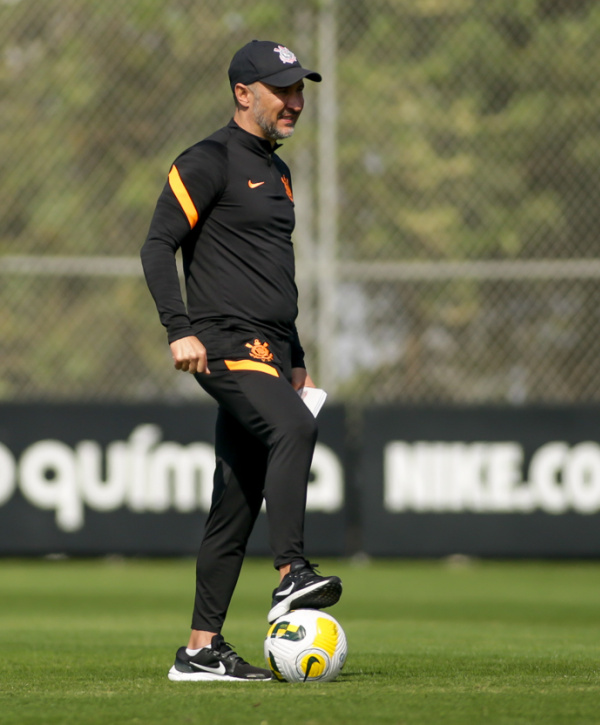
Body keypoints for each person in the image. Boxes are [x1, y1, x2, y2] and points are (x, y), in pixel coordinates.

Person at [140, 40, 342, 682]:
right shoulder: (208, 160)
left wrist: (298, 357)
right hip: (224, 341)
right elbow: (156, 246)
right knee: (295, 428)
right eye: (282, 90)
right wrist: (179, 328)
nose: (295, 101)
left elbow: (276, 276)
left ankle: (201, 651)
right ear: (242, 93)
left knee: (236, 499)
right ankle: (291, 575)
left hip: (271, 349)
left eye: (299, 89)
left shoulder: (278, 172)